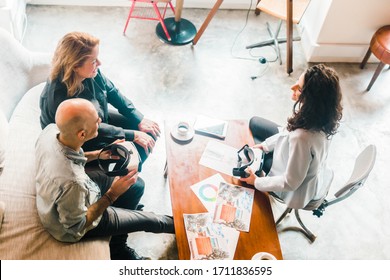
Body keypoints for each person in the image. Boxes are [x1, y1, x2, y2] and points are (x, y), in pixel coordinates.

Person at [35, 98, 174, 260]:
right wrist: (112, 194)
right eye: (96, 120)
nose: (101, 120)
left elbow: (69, 156)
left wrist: (99, 153)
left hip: (65, 193)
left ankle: (118, 237)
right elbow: (76, 226)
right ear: (82, 134)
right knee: (153, 221)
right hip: (70, 226)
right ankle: (119, 250)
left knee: (136, 185)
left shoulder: (51, 131)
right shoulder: (73, 182)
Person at [39, 31, 160, 164]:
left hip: (98, 119)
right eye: (93, 61)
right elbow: (89, 129)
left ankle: (130, 167)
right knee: (137, 149)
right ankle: (124, 175)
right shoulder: (59, 99)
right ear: (75, 66)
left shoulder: (91, 72)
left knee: (148, 133)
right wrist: (132, 135)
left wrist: (136, 116)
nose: (99, 63)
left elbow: (111, 91)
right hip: (83, 139)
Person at [240, 64, 343, 209]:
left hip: (294, 187)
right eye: (298, 81)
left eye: (299, 88)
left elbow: (290, 182)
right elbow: (286, 132)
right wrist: (266, 146)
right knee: (255, 123)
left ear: (312, 99)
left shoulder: (302, 138)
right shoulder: (323, 115)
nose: (292, 87)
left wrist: (256, 182)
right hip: (298, 155)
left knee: (247, 170)